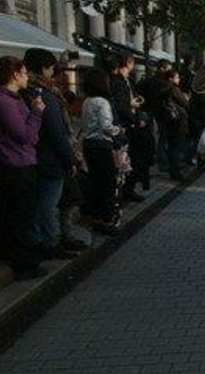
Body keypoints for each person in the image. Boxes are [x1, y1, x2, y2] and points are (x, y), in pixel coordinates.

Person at [0, 55, 47, 280]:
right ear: (14, 75)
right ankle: (24, 262)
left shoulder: (14, 99)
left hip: (19, 161)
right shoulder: (4, 102)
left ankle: (1, 250)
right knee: (22, 214)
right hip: (16, 163)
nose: (26, 77)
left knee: (9, 210)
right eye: (23, 73)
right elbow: (25, 136)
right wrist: (37, 113)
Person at [26, 49, 85, 257]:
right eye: (51, 68)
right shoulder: (45, 95)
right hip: (50, 158)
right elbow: (56, 132)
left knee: (45, 202)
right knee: (48, 203)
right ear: (43, 69)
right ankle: (49, 243)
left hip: (38, 157)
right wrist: (69, 159)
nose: (54, 72)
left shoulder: (29, 91)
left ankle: (49, 239)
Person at [77, 66, 122, 235]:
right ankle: (106, 219)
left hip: (89, 145)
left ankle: (96, 217)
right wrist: (118, 130)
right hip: (102, 145)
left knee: (95, 182)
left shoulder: (87, 101)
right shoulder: (103, 102)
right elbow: (106, 127)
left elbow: (84, 125)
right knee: (107, 183)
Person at [109, 54, 152, 202]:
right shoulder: (117, 81)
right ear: (128, 63)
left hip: (132, 124)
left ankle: (130, 189)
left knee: (134, 158)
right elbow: (121, 106)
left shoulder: (127, 81)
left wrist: (135, 102)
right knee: (129, 158)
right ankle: (126, 190)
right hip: (127, 126)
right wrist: (133, 116)